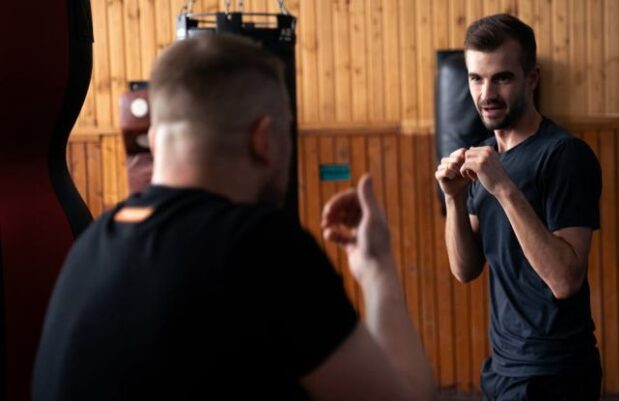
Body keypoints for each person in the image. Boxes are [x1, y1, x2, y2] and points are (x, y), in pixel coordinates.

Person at [33, 34, 434, 401]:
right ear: (264, 138)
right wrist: (377, 267)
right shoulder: (257, 245)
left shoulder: (92, 242)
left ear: (155, 140)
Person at [435, 14, 603, 401]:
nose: (487, 93)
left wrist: (505, 189)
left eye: (502, 78)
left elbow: (565, 280)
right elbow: (465, 269)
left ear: (531, 78)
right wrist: (454, 198)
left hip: (556, 372)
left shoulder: (564, 155)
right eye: (476, 79)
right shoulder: (485, 156)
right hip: (502, 367)